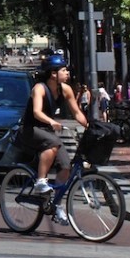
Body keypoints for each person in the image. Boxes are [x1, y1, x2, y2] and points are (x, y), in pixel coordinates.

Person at [19, 55, 88, 225]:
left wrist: (89, 126)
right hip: (30, 129)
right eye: (63, 70)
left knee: (66, 166)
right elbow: (36, 112)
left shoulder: (66, 89)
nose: (67, 73)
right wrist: (51, 121)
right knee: (54, 143)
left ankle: (55, 206)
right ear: (53, 74)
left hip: (47, 131)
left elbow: (77, 112)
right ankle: (41, 181)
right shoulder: (39, 88)